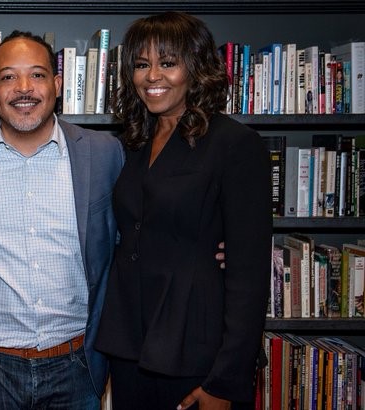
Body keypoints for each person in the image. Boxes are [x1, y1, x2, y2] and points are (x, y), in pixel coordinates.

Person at [0, 31, 124, 409]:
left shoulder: (104, 153)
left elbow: (132, 238)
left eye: (37, 75)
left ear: (56, 84)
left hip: (77, 363)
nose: (24, 88)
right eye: (8, 77)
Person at [95, 11, 272, 410]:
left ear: (196, 69)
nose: (152, 76)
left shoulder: (235, 144)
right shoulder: (133, 142)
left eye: (168, 63)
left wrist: (225, 381)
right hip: (130, 344)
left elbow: (249, 274)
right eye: (142, 65)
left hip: (196, 349)